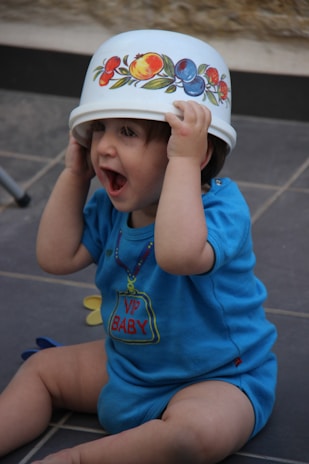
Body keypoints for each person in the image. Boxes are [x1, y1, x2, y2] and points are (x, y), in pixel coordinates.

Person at [0, 30, 277, 464]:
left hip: (219, 376)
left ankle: (78, 459)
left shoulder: (222, 208)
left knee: (192, 436)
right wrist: (73, 175)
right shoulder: (109, 206)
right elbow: (56, 258)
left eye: (127, 132)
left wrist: (183, 162)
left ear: (191, 151)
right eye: (99, 130)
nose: (104, 146)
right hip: (129, 363)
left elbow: (178, 255)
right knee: (41, 371)